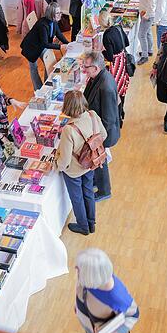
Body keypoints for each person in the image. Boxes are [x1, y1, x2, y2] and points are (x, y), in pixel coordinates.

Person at [56, 91, 107, 235]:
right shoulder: (92, 115)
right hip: (91, 163)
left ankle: (83, 226)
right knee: (89, 192)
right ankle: (91, 223)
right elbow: (103, 135)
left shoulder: (68, 129)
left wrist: (56, 167)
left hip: (74, 170)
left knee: (77, 198)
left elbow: (64, 161)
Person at [74, 248, 139, 333]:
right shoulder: (88, 280)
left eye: (79, 270)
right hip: (91, 329)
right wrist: (78, 305)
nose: (76, 271)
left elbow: (133, 316)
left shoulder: (117, 298)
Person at [82, 51, 120, 203]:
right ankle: (98, 182)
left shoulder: (106, 87)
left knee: (100, 159)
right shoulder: (98, 77)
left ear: (96, 68)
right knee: (97, 160)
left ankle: (105, 190)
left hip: (103, 132)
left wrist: (98, 138)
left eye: (87, 67)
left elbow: (109, 118)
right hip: (97, 128)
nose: (85, 70)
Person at [21, 3, 69, 91]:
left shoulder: (53, 22)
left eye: (60, 12)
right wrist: (60, 47)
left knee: (49, 63)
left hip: (40, 44)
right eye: (57, 13)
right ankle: (38, 89)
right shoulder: (43, 25)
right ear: (51, 14)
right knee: (34, 68)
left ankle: (46, 84)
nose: (60, 15)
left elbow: (59, 34)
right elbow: (45, 44)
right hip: (31, 48)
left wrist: (69, 44)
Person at [99, 10, 130, 124]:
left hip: (116, 65)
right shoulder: (118, 27)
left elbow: (111, 57)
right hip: (123, 60)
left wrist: (103, 52)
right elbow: (126, 43)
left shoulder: (106, 35)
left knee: (115, 90)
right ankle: (122, 111)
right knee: (122, 88)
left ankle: (118, 116)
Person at [137, 0, 157, 66]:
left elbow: (152, 4)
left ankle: (144, 56)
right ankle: (149, 50)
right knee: (147, 32)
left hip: (147, 16)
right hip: (145, 13)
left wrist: (147, 15)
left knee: (141, 34)